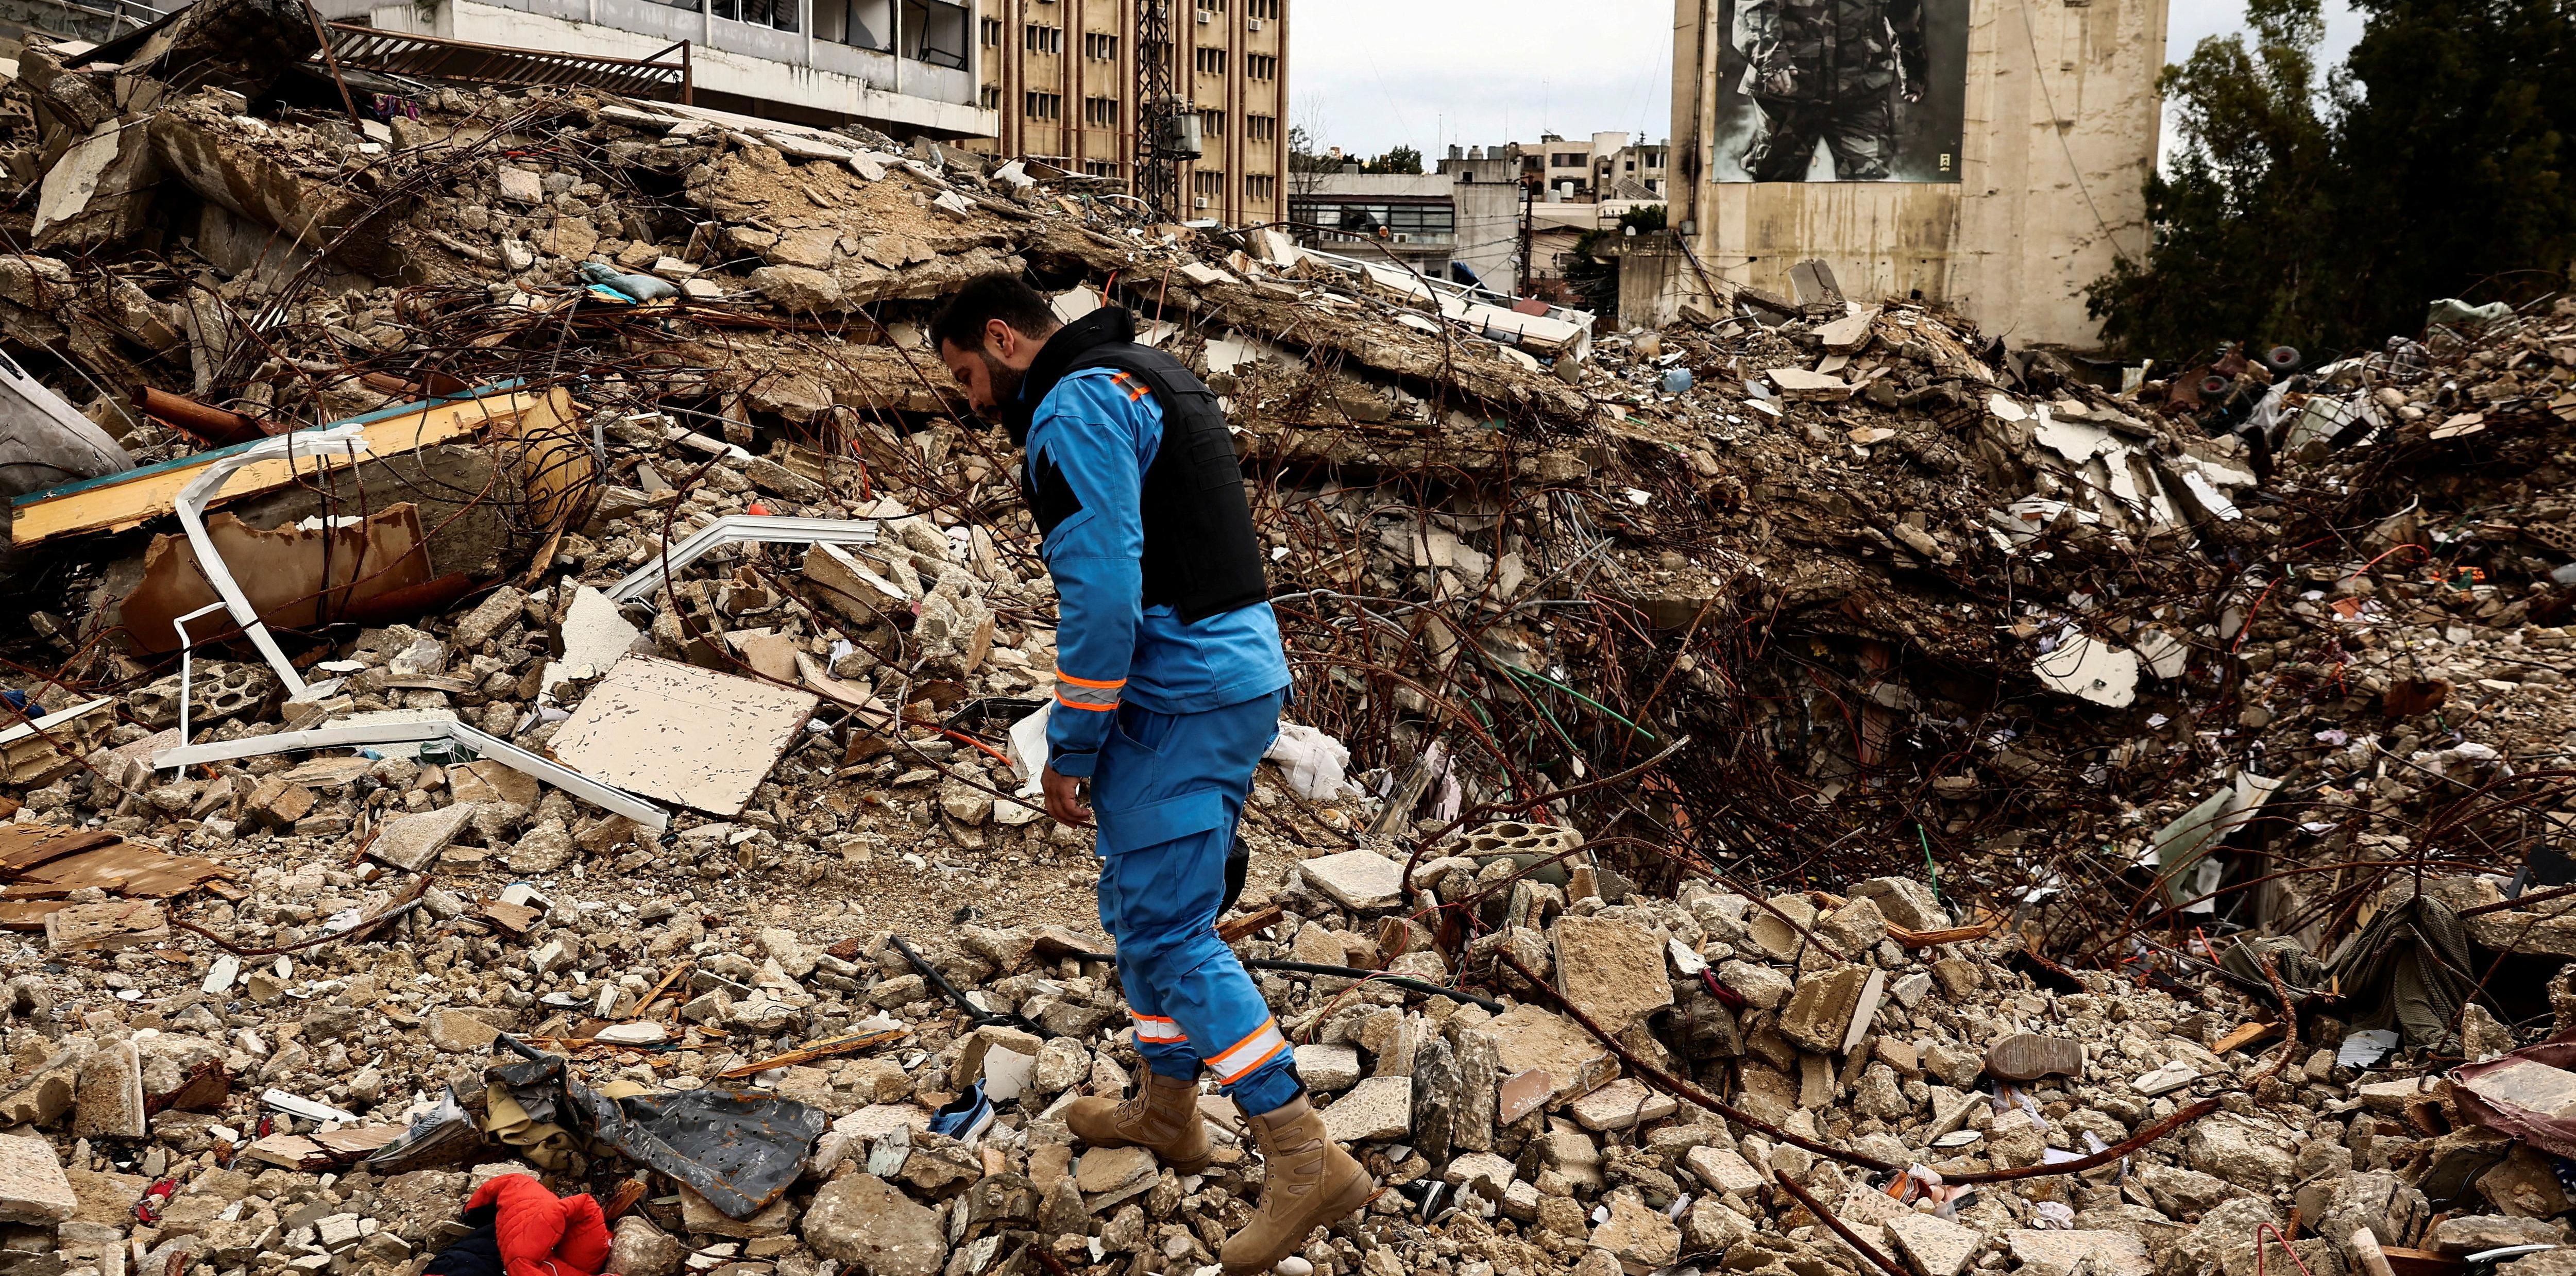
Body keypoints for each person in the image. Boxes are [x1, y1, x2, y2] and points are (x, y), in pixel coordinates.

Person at [930, 274, 1374, 1274]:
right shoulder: (1146, 372)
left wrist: (1075, 744)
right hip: (1220, 675)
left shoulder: (1074, 402)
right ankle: (1169, 1108)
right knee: (1146, 907)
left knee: (1169, 928)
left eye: (966, 373)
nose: (969, 400)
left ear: (1002, 339)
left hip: (1180, 692)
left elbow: (1104, 590)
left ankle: (1303, 1155)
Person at [1734, 0, 1929, 181]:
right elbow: (1753, 6)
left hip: (1860, 91)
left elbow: (1904, 10)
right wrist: (1771, 58)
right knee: (1776, 184)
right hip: (1789, 91)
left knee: (1868, 183)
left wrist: (1913, 66)